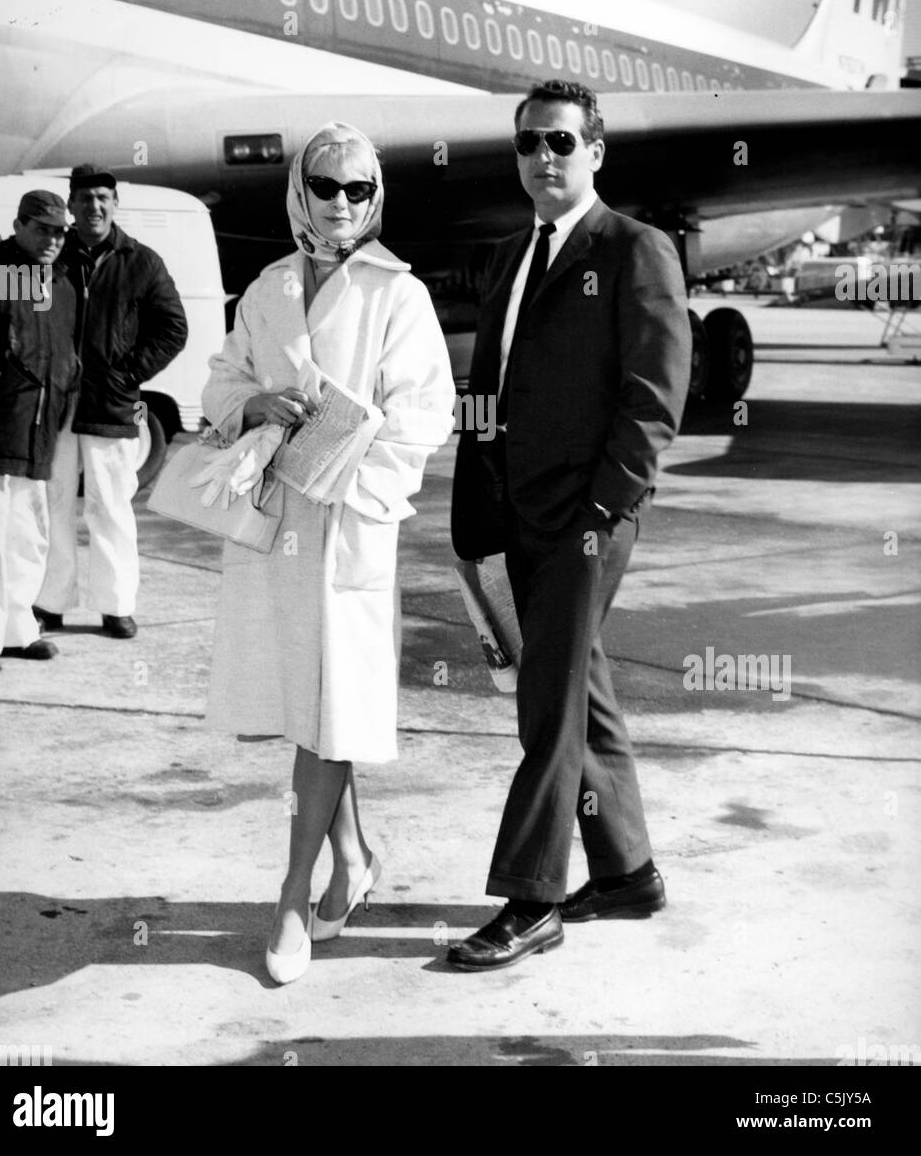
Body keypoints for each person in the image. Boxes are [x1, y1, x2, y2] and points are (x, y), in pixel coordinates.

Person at [203, 122, 454, 984]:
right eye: (326, 186)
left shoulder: (398, 294)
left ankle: (289, 895)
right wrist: (257, 406)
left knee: (332, 701)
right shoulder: (267, 288)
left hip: (350, 528)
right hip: (276, 523)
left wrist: (352, 458)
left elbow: (427, 415)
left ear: (375, 195)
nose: (342, 204)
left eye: (358, 189)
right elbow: (219, 382)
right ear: (299, 191)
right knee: (309, 705)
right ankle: (354, 860)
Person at [449, 80, 691, 971]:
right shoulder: (511, 253)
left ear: (595, 151)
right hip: (519, 510)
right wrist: (480, 493)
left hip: (586, 519)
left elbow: (655, 397)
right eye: (527, 144)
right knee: (578, 689)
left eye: (559, 141)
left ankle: (531, 896)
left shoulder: (636, 249)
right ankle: (626, 874)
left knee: (545, 706)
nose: (542, 158)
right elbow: (494, 385)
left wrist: (604, 505)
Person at [34, 165, 188, 639]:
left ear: (115, 203)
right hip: (54, 407)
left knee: (110, 507)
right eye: (84, 199)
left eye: (102, 197)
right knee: (52, 503)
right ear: (71, 206)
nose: (94, 207)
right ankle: (50, 602)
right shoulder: (51, 259)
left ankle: (116, 606)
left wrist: (127, 375)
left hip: (111, 406)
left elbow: (173, 328)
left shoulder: (141, 261)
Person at [0, 190, 79, 675]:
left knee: (29, 535)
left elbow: (65, 358)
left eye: (59, 231)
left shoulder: (63, 284)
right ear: (18, 224)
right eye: (42, 228)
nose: (52, 239)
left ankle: (16, 631)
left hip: (39, 432)